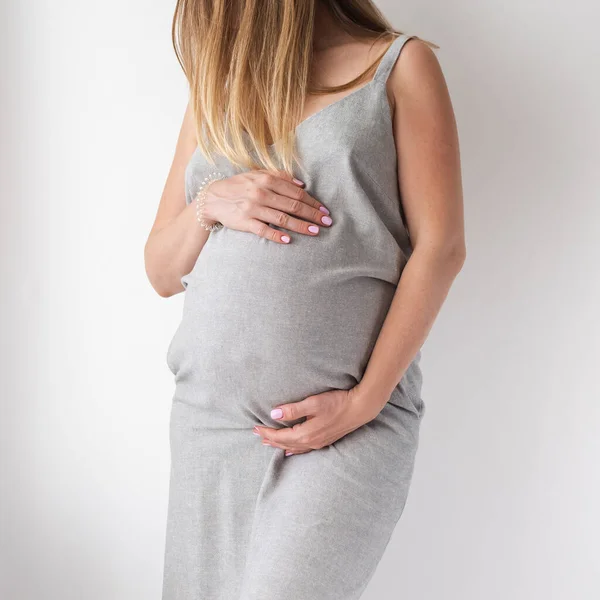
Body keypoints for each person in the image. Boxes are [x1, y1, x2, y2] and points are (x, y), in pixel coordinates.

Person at [144, 0, 465, 598]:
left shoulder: (398, 67)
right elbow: (161, 270)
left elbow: (440, 248)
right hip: (209, 424)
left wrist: (366, 401)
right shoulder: (220, 88)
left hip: (345, 423)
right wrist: (211, 202)